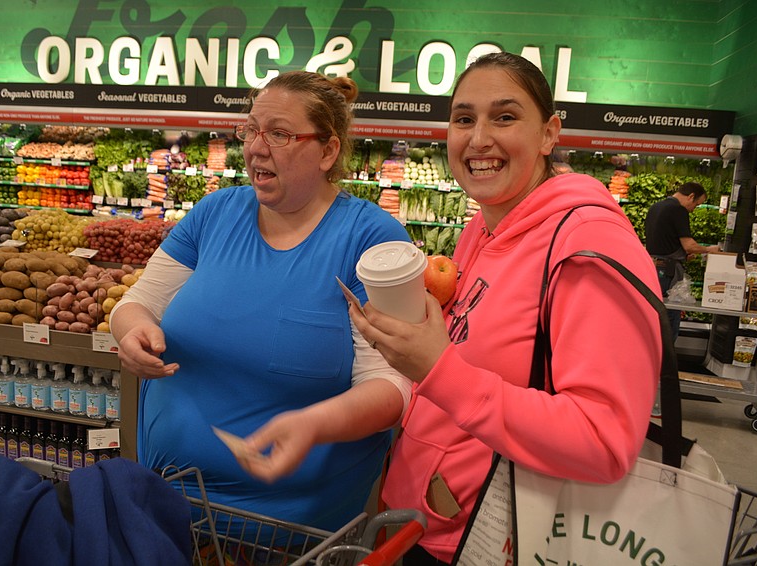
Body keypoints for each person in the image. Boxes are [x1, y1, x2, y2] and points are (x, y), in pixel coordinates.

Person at [349, 52, 663, 565]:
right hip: (419, 525)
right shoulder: (483, 228)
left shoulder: (589, 245)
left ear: (549, 133)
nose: (478, 139)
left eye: (505, 116)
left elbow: (604, 441)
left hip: (493, 541)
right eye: (463, 119)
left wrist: (438, 368)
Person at [109, 71, 412, 537]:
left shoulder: (371, 239)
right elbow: (137, 302)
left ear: (328, 151)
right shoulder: (216, 212)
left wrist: (313, 424)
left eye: (280, 134)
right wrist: (131, 332)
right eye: (250, 129)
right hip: (166, 509)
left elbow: (393, 386)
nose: (255, 146)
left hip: (290, 534)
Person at [645, 181, 720, 343]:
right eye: (697, 205)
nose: (694, 210)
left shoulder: (656, 207)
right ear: (691, 197)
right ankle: (666, 362)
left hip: (651, 268)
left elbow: (661, 242)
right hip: (667, 273)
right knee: (670, 318)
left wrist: (681, 256)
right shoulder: (678, 210)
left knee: (652, 315)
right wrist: (710, 250)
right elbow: (689, 245)